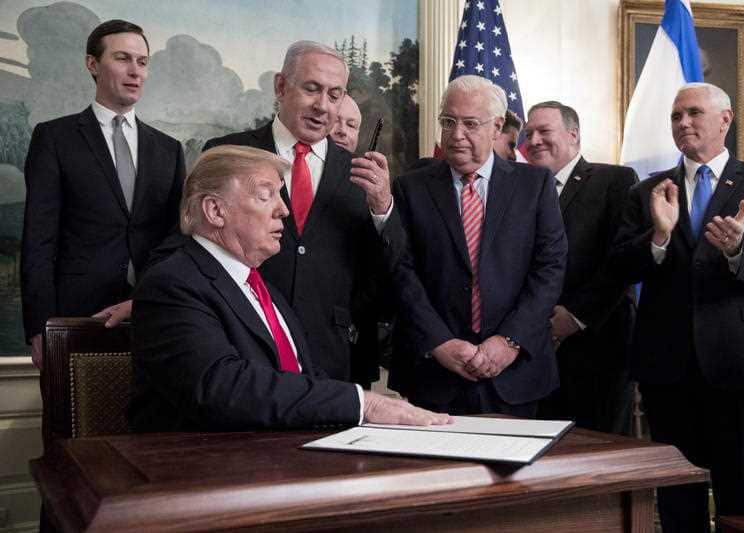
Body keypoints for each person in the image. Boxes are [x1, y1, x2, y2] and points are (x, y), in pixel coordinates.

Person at [129, 145, 449, 430]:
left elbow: (303, 378)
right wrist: (363, 403)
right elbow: (222, 388)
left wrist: (368, 416)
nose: (283, 209)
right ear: (215, 210)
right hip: (204, 473)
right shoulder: (173, 283)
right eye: (266, 195)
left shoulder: (260, 287)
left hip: (282, 455)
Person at [613, 82, 744, 532]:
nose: (683, 123)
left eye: (694, 113)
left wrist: (742, 249)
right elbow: (618, 264)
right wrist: (658, 237)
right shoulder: (647, 192)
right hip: (668, 365)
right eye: (676, 116)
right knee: (678, 497)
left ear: (725, 120)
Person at [203, 41, 404, 384]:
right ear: (281, 86)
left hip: (331, 356)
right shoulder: (229, 152)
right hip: (241, 347)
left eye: (334, 94)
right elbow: (191, 243)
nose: (322, 106)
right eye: (312, 89)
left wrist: (383, 209)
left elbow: (387, 275)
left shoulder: (360, 175)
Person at [388, 75, 567, 417]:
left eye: (470, 124)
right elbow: (402, 271)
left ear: (497, 126)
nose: (457, 134)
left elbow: (550, 268)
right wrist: (439, 342)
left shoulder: (535, 185)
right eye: (448, 122)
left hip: (515, 373)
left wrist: (510, 341)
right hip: (434, 373)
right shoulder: (410, 188)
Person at [20, 19, 184, 369]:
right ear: (92, 64)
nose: (135, 71)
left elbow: (176, 239)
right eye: (123, 58)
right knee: (72, 421)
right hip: (76, 316)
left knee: (153, 422)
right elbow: (38, 240)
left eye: (142, 62)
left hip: (154, 315)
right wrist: (38, 327)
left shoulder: (169, 149)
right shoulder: (55, 138)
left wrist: (147, 298)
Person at [524, 101, 637, 434]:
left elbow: (620, 262)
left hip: (597, 347)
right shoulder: (520, 188)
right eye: (529, 133)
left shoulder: (613, 181)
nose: (533, 140)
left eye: (544, 131)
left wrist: (573, 317)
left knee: (595, 457)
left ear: (573, 135)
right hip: (532, 349)